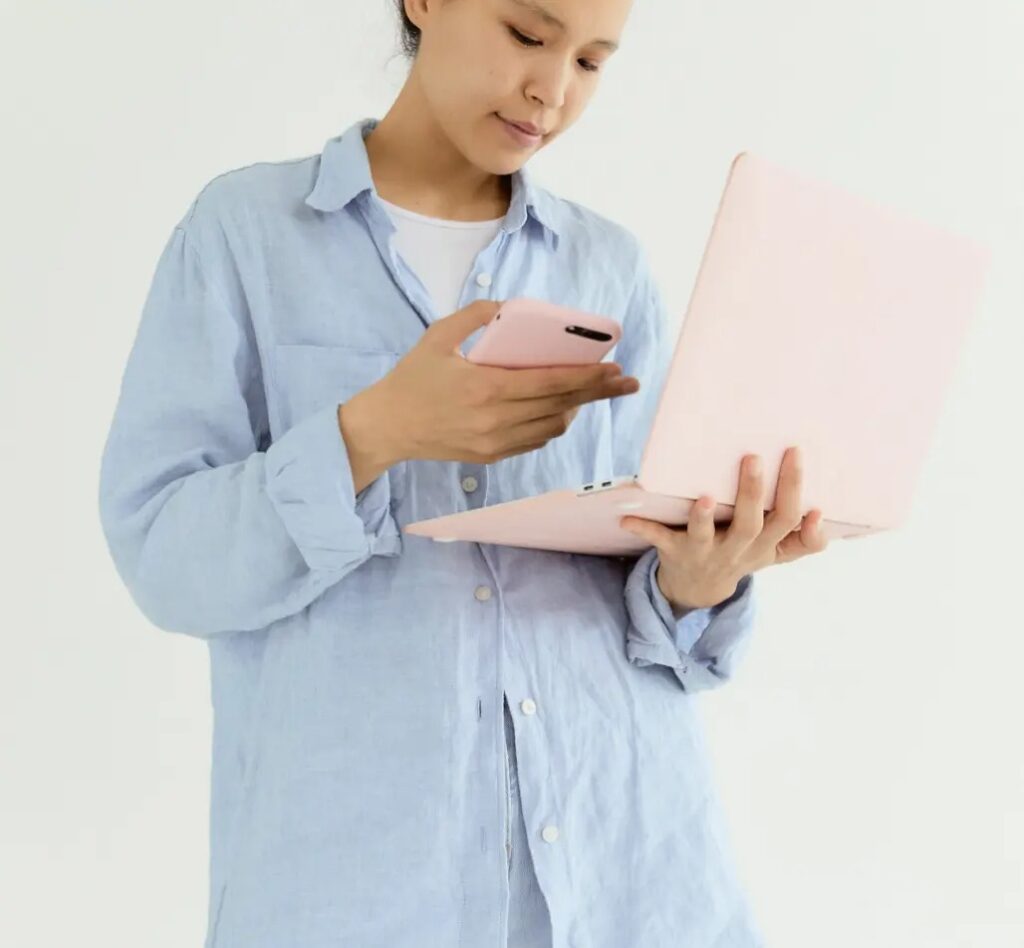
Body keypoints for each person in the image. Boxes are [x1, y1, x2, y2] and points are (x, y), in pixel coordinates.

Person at [97, 1, 830, 945]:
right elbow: (163, 556)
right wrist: (371, 434)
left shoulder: (606, 266)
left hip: (628, 877)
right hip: (356, 892)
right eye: (529, 35)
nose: (552, 91)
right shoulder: (245, 236)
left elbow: (649, 582)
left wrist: (701, 576)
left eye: (594, 62)